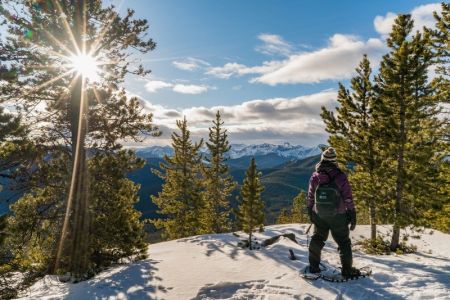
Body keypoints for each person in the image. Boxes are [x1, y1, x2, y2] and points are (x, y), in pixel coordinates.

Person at [306, 147, 360, 278]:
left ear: (322, 160)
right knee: (343, 243)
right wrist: (352, 214)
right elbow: (348, 197)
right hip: (338, 216)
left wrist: (310, 211)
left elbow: (310, 196)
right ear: (335, 161)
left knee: (317, 239)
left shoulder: (315, 176)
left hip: (320, 215)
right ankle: (347, 271)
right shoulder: (341, 176)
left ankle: (313, 267)